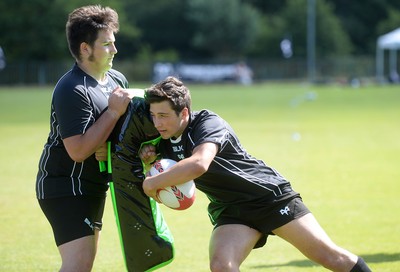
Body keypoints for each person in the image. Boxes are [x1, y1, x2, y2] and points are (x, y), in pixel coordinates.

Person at [139, 76, 371, 272]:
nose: (157, 122)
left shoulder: (207, 122)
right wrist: (151, 162)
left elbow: (199, 164)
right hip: (233, 211)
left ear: (184, 112)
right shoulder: (165, 143)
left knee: (330, 257)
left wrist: (152, 183)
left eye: (164, 115)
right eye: (153, 115)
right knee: (222, 265)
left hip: (269, 197)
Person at [36, 5, 134, 272]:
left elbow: (121, 134)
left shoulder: (117, 80)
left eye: (114, 43)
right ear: (84, 48)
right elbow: (78, 150)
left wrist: (110, 147)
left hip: (93, 185)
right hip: (64, 186)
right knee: (78, 264)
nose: (115, 50)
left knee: (84, 263)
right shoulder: (71, 88)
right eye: (106, 44)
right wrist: (113, 112)